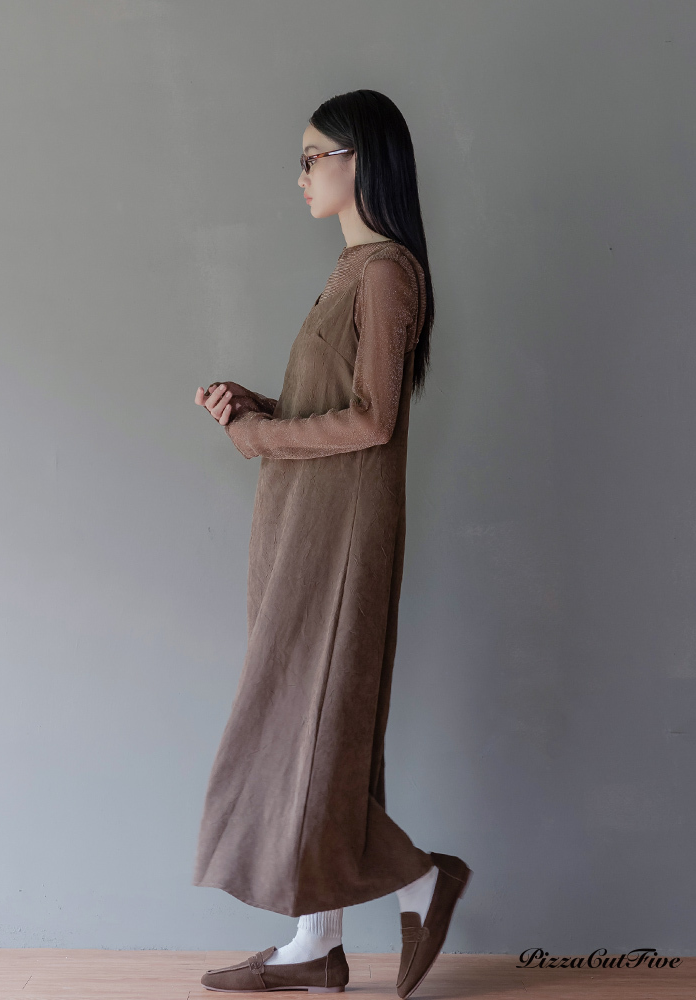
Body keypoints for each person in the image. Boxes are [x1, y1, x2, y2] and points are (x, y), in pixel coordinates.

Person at [192, 90, 472, 998]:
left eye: (315, 155)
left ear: (363, 160)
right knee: (310, 724)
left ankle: (422, 880)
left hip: (340, 536)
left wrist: (259, 439)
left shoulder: (385, 273)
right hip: (306, 524)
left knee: (310, 723)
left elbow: (373, 422)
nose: (302, 174)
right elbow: (336, 411)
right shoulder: (354, 271)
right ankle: (315, 941)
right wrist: (260, 408)